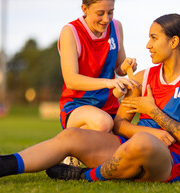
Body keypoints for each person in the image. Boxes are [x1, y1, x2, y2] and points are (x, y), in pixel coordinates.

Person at [0, 13, 180, 183]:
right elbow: (118, 124)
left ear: (173, 42)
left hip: (167, 160)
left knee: (143, 144)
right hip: (128, 146)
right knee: (71, 136)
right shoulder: (143, 76)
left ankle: (84, 175)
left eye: (153, 38)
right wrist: (146, 130)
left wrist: (152, 111)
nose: (148, 45)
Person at [58, 0, 138, 132]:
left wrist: (126, 67)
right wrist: (109, 83)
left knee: (131, 138)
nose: (106, 19)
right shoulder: (70, 32)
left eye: (110, 12)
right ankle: (69, 145)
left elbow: (119, 68)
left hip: (110, 107)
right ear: (85, 9)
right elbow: (71, 81)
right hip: (77, 106)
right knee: (103, 123)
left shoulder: (116, 27)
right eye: (100, 13)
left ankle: (75, 149)